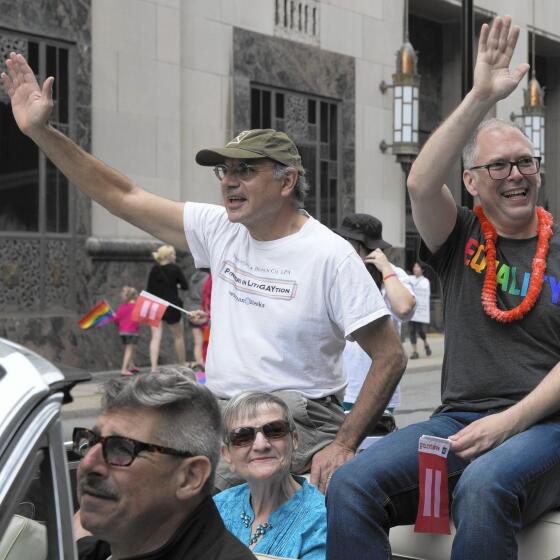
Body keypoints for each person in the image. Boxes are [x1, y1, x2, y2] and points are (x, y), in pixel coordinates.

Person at [2, 52, 406, 490]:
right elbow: (123, 195)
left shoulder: (330, 255)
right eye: (224, 170)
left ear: (287, 182)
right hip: (220, 415)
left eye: (245, 171)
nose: (229, 182)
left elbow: (390, 357)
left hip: (295, 424)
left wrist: (344, 444)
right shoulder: (218, 228)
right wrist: (42, 133)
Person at [327, 16, 560, 559]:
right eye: (499, 165)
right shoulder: (459, 235)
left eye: (525, 162)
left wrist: (504, 425)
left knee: (484, 485)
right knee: (351, 483)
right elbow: (418, 181)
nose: (515, 174)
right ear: (471, 181)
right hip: (457, 420)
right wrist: (482, 95)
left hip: (554, 431)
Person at [71, 372, 256, 559]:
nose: (88, 463)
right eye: (90, 442)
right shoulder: (79, 552)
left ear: (190, 477)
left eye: (121, 449)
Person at [214, 392, 326, 559]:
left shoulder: (323, 518)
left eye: (274, 430)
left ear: (294, 440)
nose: (261, 445)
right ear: (227, 454)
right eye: (242, 436)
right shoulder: (217, 508)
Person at [335, 213, 415, 415]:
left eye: (349, 242)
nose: (343, 245)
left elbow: (404, 307)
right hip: (338, 389)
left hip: (377, 390)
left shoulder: (391, 276)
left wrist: (386, 268)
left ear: (363, 247)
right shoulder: (337, 271)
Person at [146, 244, 188, 372]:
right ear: (169, 256)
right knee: (178, 336)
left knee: (155, 337)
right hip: (172, 306)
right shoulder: (175, 269)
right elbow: (185, 286)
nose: (175, 256)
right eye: (174, 254)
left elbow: (149, 289)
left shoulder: (154, 269)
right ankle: (182, 364)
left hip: (155, 305)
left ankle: (153, 368)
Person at [185, 268, 210, 369]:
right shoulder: (208, 278)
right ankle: (206, 363)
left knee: (197, 342)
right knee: (207, 340)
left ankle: (200, 362)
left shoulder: (193, 277)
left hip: (191, 309)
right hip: (202, 309)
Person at [407, 262, 432, 359]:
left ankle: (426, 343)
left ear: (422, 270)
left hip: (420, 311)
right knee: (411, 330)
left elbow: (426, 296)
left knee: (420, 330)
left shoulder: (425, 281)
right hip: (411, 308)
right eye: (414, 266)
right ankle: (415, 352)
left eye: (417, 267)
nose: (415, 269)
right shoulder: (410, 279)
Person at [114, 286, 141, 376]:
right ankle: (124, 369)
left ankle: (131, 366)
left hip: (122, 332)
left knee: (131, 348)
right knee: (129, 349)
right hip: (132, 331)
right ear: (135, 296)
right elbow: (139, 318)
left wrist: (120, 326)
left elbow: (116, 319)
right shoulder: (136, 307)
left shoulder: (122, 307)